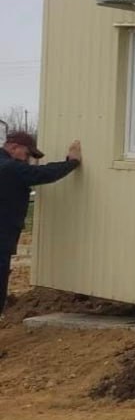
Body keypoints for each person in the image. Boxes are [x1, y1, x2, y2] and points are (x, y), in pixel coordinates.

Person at [0, 131, 81, 319]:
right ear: (14, 148)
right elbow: (44, 173)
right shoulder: (10, 168)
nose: (27, 160)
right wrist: (72, 162)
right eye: (27, 155)